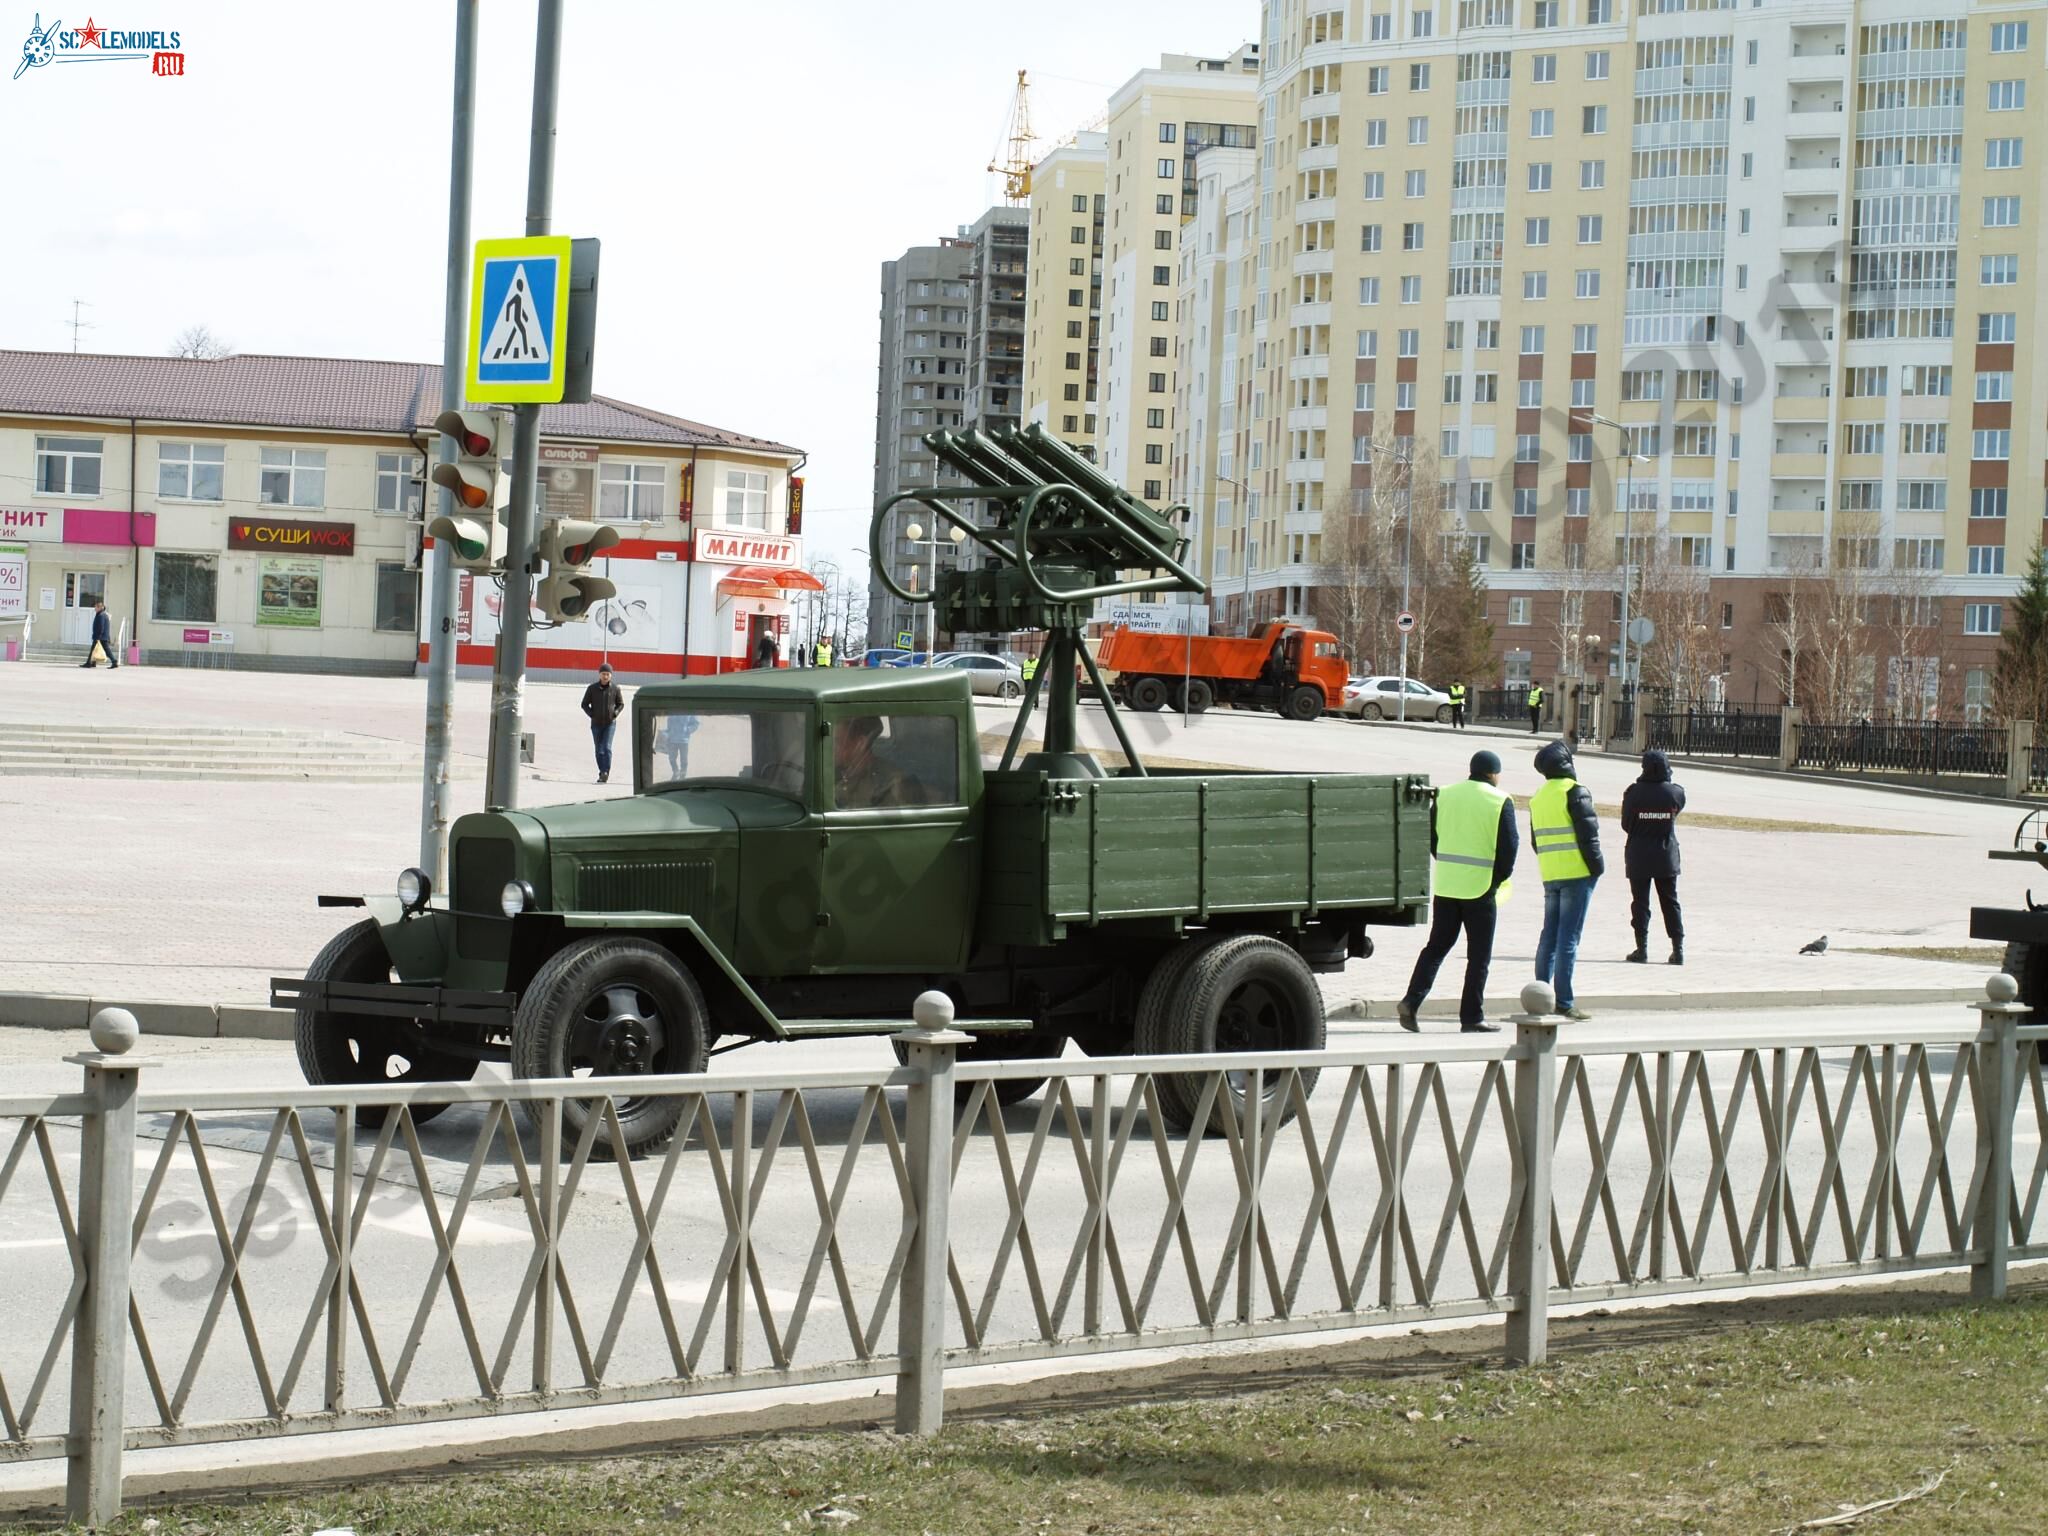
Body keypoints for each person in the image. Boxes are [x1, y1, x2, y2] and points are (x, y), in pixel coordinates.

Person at [1398, 750, 1519, 1035]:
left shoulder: (1446, 795)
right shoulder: (1500, 800)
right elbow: (1509, 847)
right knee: (1479, 957)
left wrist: (1448, 863)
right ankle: (1471, 1017)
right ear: (1493, 774)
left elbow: (1432, 837)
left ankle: (1411, 1001)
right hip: (1480, 888)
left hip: (1448, 885)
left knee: (1436, 947)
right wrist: (1497, 879)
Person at [1531, 738, 1604, 1021]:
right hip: (1577, 873)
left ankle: (1540, 995)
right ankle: (1564, 1001)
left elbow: (1536, 841)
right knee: (1568, 939)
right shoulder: (1575, 791)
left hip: (1550, 874)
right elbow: (1589, 836)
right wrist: (1597, 867)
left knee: (1548, 936)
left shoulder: (1539, 797)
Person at [1622, 747, 1686, 965]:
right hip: (1666, 854)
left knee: (1640, 903)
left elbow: (1625, 824)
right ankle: (1678, 950)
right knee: (1670, 902)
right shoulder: (1675, 793)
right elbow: (1678, 808)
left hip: (1639, 854)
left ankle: (1642, 949)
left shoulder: (1633, 793)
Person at [833, 714, 915, 807]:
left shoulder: (888, 783)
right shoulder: (837, 771)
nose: (832, 748)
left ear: (860, 743)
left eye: (837, 742)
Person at [580, 662, 624, 784]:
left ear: (611, 675)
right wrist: (592, 714)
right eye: (603, 674)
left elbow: (621, 704)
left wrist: (615, 713)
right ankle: (601, 771)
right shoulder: (592, 689)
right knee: (598, 749)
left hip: (610, 723)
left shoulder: (615, 689)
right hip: (596, 724)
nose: (605, 677)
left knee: (606, 747)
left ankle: (605, 772)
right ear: (599, 675)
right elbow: (584, 704)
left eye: (608, 674)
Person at [81, 599, 117, 669]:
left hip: (100, 637)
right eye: (95, 607)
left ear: (100, 608)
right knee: (98, 650)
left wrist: (98, 637)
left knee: (96, 650)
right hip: (102, 636)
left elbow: (101, 627)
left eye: (96, 607)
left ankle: (89, 663)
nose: (95, 608)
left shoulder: (101, 615)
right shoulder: (102, 614)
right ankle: (92, 663)